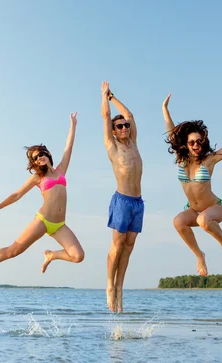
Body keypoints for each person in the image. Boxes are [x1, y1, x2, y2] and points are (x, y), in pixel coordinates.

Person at [0, 112, 85, 287]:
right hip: (43, 220)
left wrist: (73, 125)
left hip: (60, 225)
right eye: (35, 158)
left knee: (78, 256)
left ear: (47, 154)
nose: (39, 158)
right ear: (34, 163)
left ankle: (51, 255)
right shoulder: (38, 178)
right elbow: (17, 194)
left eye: (40, 154)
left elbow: (68, 148)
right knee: (13, 251)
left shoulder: (60, 170)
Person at [162, 93, 222, 276]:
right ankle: (200, 255)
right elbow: (172, 134)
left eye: (199, 141)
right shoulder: (182, 160)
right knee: (178, 222)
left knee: (203, 220)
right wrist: (165, 110)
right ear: (186, 144)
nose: (196, 145)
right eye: (192, 142)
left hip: (214, 208)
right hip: (193, 210)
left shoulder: (209, 161)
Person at [101, 81, 144, 313]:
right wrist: (104, 97)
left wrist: (114, 96)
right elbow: (106, 115)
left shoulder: (134, 143)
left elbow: (130, 114)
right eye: (120, 126)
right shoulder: (112, 146)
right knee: (117, 247)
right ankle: (109, 286)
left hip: (138, 203)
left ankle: (119, 289)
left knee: (129, 247)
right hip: (122, 201)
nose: (125, 128)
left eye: (126, 125)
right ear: (113, 131)